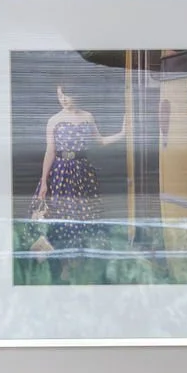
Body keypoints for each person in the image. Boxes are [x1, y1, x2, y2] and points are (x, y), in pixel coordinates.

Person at [29, 80, 125, 250]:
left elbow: (100, 141)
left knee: (83, 213)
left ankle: (77, 253)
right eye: (60, 95)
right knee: (59, 212)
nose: (63, 99)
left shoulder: (87, 117)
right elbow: (50, 151)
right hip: (60, 172)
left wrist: (123, 133)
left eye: (66, 95)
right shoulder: (54, 120)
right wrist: (44, 181)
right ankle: (53, 250)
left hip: (82, 171)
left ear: (77, 94)